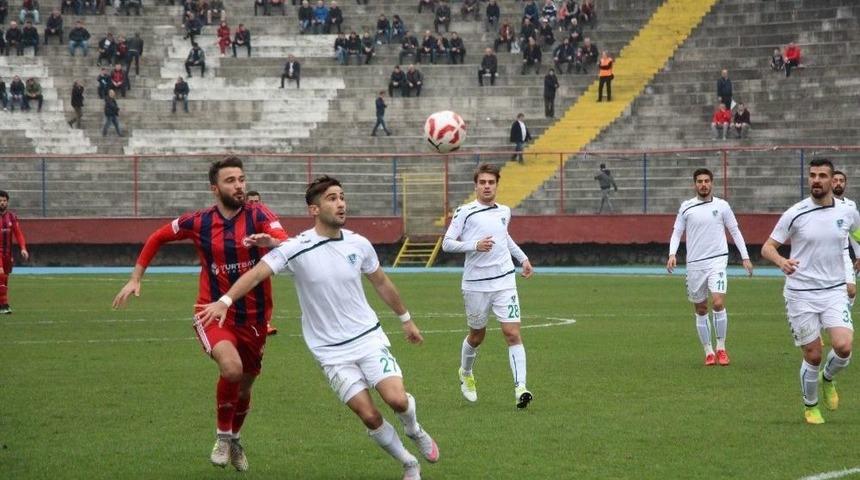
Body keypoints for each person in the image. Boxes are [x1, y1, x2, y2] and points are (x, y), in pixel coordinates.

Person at [196, 175, 439, 480]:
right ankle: (408, 464)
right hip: (330, 352)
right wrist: (226, 300)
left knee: (397, 400)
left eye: (342, 197)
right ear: (314, 209)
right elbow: (257, 274)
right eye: (332, 198)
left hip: (367, 338)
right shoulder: (295, 248)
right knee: (369, 415)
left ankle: (414, 429)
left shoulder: (359, 244)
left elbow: (382, 282)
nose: (341, 203)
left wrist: (406, 320)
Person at [114, 157, 288, 469]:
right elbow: (158, 236)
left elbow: (286, 242)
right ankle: (223, 436)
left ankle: (234, 439)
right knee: (232, 369)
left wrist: (272, 241)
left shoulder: (259, 213)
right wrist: (136, 277)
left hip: (256, 317)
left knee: (246, 386)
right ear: (215, 188)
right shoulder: (199, 222)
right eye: (230, 180)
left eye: (241, 179)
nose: (238, 186)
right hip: (213, 312)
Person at [761, 158, 857, 425]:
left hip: (834, 290)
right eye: (812, 175)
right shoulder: (795, 213)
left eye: (822, 176)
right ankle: (811, 406)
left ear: (832, 179)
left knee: (844, 346)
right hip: (801, 293)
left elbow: (857, 236)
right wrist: (782, 261)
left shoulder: (848, 212)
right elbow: (768, 247)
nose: (816, 180)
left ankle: (828, 378)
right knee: (813, 354)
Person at [442, 163, 535, 408]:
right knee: (477, 335)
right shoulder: (464, 212)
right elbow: (447, 244)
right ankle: (466, 372)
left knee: (512, 333)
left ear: (496, 185)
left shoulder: (504, 211)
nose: (486, 186)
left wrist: (522, 258)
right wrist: (474, 245)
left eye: (491, 182)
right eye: (482, 182)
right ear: (476, 186)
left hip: (505, 280)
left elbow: (505, 238)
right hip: (475, 284)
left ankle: (521, 388)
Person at [667, 168, 753, 366]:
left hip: (717, 260)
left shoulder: (722, 206)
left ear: (712, 183)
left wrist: (745, 257)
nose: (703, 184)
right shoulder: (686, 207)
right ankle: (708, 351)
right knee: (701, 308)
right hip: (695, 264)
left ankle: (721, 348)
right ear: (694, 184)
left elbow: (735, 231)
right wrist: (672, 254)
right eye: (699, 181)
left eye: (706, 181)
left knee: (717, 303)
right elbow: (676, 232)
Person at [832, 171, 860, 307]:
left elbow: (854, 233)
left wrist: (859, 255)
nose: (838, 183)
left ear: (845, 184)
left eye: (841, 181)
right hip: (825, 255)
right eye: (835, 180)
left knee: (851, 291)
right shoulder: (821, 204)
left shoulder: (850, 205)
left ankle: (843, 318)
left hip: (843, 254)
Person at [0, 190, 29, 315]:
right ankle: (4, 304)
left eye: (4, 201)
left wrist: (23, 248)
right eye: (0, 201)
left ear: (7, 202)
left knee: (5, 279)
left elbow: (18, 233)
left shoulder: (12, 217)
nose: (2, 203)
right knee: (0, 275)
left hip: (8, 253)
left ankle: (2, 304)